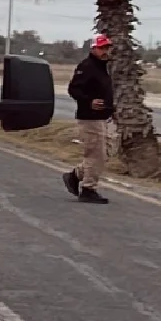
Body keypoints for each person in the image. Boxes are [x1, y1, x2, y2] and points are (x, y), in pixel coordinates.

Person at [64, 35, 114, 204]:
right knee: (95, 154)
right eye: (101, 48)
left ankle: (75, 175)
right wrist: (89, 101)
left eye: (107, 48)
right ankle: (88, 189)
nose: (105, 51)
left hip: (102, 117)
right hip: (90, 118)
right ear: (93, 48)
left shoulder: (102, 67)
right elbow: (73, 89)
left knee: (103, 154)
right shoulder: (87, 66)